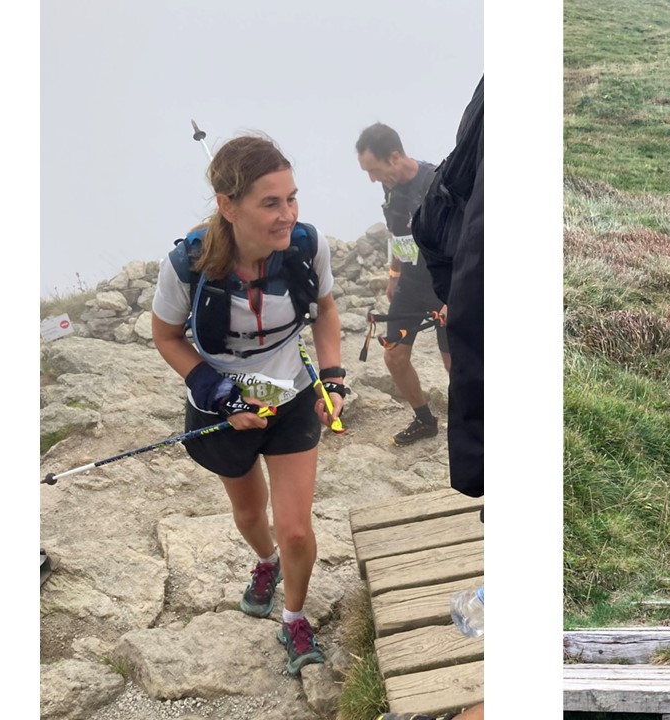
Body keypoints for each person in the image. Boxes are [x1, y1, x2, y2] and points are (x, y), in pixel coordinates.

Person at [150, 134, 346, 676]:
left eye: (292, 198)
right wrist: (218, 394)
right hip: (222, 408)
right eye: (271, 203)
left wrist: (332, 379)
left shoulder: (307, 247)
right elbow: (166, 336)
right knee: (247, 513)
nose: (288, 215)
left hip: (290, 400)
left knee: (298, 530)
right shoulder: (187, 265)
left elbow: (325, 313)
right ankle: (266, 564)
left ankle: (294, 616)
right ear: (228, 207)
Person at [355, 124, 451, 447]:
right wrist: (394, 274)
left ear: (394, 156)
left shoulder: (437, 183)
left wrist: (456, 296)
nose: (372, 179)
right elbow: (398, 233)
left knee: (456, 365)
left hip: (444, 286)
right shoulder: (390, 186)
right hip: (411, 282)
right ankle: (424, 420)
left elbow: (465, 242)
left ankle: (480, 424)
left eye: (374, 170)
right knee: (394, 357)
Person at [412, 76, 483, 502]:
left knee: (451, 354)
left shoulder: (421, 175)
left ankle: (432, 418)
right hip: (444, 277)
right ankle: (424, 417)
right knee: (394, 351)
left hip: (460, 281)